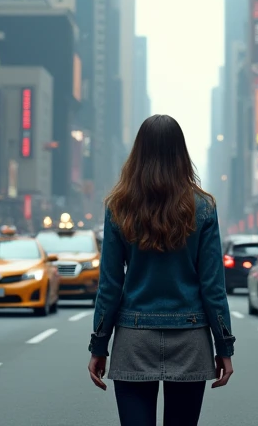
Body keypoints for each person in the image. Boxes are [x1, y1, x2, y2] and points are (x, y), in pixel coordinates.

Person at [87, 114, 235, 426]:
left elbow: (110, 285)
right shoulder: (203, 207)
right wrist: (224, 346)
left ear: (137, 153)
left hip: (133, 338)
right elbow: (213, 287)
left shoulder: (119, 206)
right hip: (191, 338)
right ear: (181, 153)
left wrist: (99, 345)